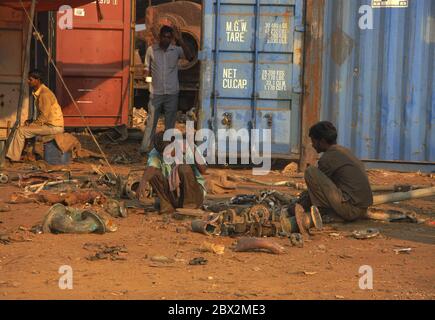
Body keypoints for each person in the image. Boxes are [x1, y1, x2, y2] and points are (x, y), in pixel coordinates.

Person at [301, 121, 373, 222]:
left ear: (322, 141)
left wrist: (298, 204)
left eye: (313, 141)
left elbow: (316, 189)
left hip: (350, 210)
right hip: (362, 209)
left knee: (310, 172)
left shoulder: (327, 158)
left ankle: (326, 212)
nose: (312, 145)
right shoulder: (343, 151)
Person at [139, 25, 194, 154]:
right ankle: (145, 148)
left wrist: (180, 40)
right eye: (164, 37)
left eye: (169, 37)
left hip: (172, 93)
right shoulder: (151, 50)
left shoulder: (176, 50)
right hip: (155, 93)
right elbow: (146, 67)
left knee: (170, 124)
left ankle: (167, 150)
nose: (166, 39)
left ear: (171, 38)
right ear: (160, 37)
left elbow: (190, 56)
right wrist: (145, 74)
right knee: (151, 122)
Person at [137, 131, 207, 214]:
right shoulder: (156, 152)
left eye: (168, 151)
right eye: (163, 154)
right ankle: (167, 206)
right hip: (173, 195)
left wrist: (193, 150)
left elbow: (203, 170)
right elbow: (151, 167)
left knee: (183, 168)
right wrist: (143, 181)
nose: (166, 156)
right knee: (153, 174)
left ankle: (189, 207)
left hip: (194, 195)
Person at [6, 70, 64, 162]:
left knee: (21, 131)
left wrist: (32, 124)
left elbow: (44, 116)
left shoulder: (44, 94)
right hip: (49, 125)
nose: (28, 81)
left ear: (38, 80)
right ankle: (29, 154)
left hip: (54, 127)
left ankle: (12, 158)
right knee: (27, 126)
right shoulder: (40, 92)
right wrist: (31, 122)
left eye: (30, 79)